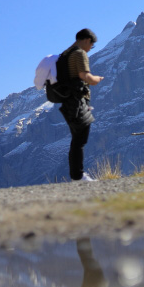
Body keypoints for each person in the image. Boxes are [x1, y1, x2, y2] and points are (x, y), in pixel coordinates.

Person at [58, 28, 104, 182]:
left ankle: (77, 175)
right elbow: (85, 76)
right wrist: (96, 79)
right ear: (86, 40)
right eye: (92, 45)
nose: (91, 49)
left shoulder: (65, 53)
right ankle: (78, 176)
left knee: (77, 137)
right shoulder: (79, 53)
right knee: (80, 137)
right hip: (77, 99)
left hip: (67, 100)